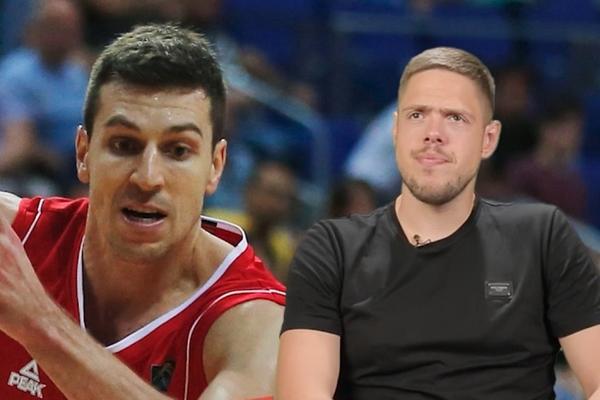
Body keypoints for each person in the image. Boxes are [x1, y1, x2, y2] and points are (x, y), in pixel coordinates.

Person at [276, 47, 600, 399]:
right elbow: (302, 391)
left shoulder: (541, 236)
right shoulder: (332, 248)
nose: (433, 133)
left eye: (455, 118)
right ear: (396, 131)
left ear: (488, 139)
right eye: (417, 115)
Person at [0, 23, 285, 400]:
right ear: (84, 154)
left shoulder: (257, 323)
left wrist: (39, 323)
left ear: (215, 166)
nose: (148, 178)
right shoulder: (15, 238)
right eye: (124, 145)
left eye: (178, 151)